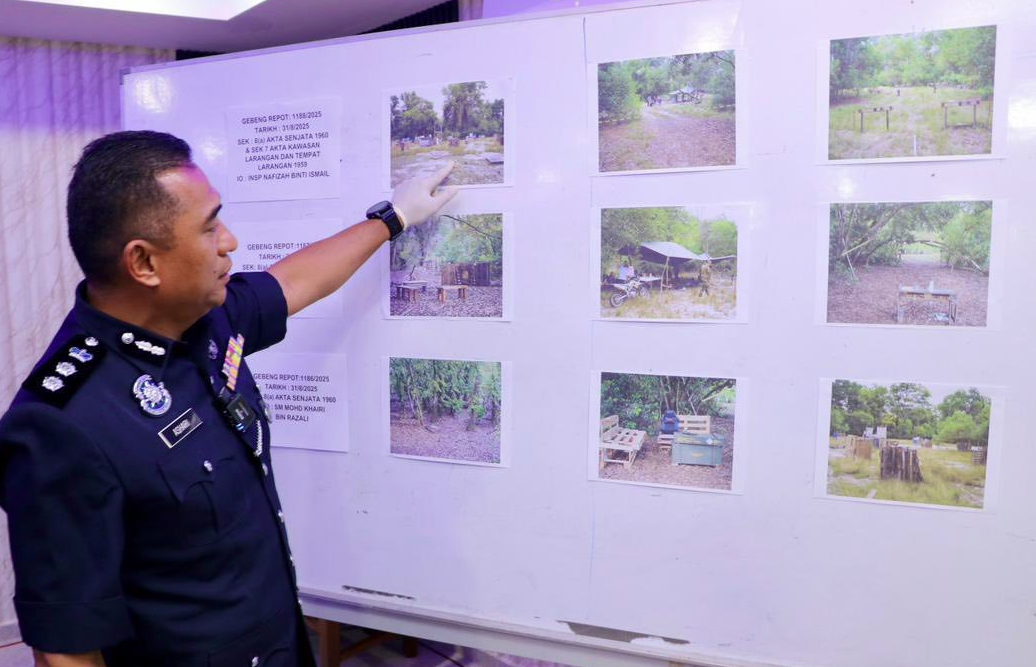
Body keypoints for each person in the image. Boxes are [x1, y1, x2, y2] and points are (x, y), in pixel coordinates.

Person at [0, 131, 456, 667]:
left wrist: (392, 218)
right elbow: (67, 648)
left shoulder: (203, 320)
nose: (230, 241)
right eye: (210, 225)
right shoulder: (63, 425)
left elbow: (295, 282)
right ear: (143, 262)